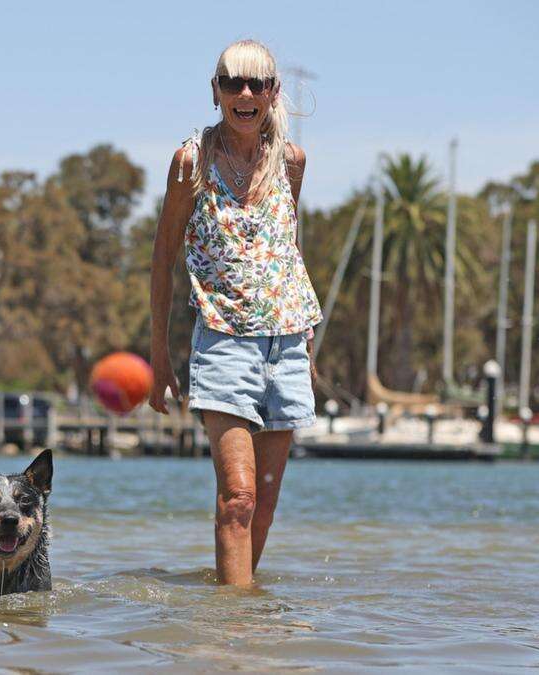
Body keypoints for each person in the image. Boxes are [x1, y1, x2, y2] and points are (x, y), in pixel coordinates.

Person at [148, 40, 323, 586]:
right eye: (232, 83)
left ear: (273, 93)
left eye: (257, 85)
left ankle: (241, 612)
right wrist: (160, 358)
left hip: (288, 344)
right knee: (238, 499)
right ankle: (231, 635)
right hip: (223, 342)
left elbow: (284, 251)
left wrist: (307, 347)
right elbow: (163, 257)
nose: (244, 95)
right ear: (215, 91)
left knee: (264, 503)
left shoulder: (290, 163)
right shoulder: (191, 163)